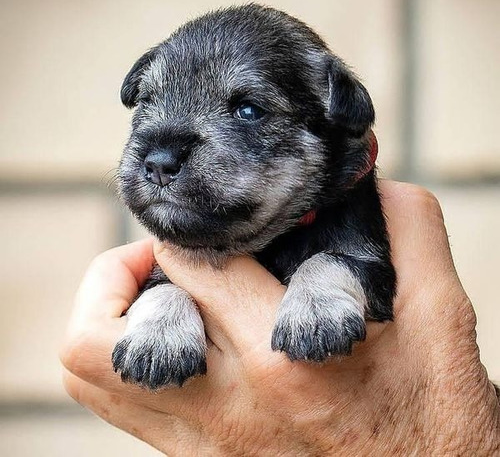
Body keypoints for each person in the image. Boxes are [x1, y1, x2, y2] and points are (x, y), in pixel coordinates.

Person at [60, 181, 500, 455]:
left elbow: (365, 268)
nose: (162, 161)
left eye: (249, 112)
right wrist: (160, 308)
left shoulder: (352, 220)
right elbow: (163, 284)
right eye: (149, 104)